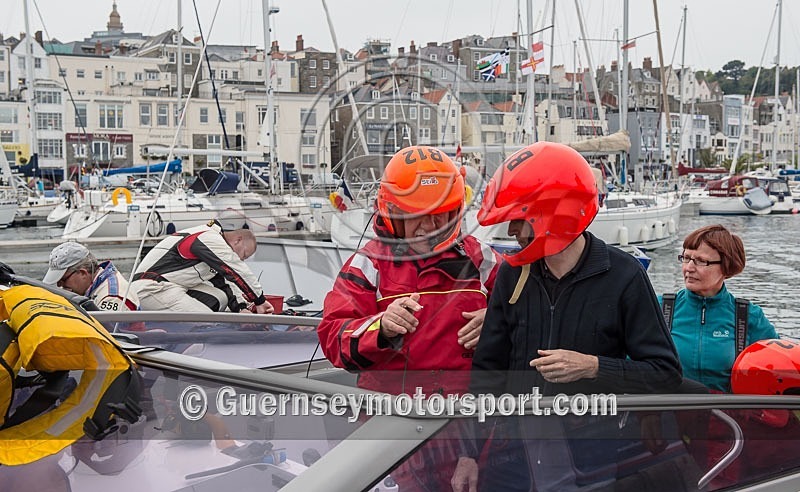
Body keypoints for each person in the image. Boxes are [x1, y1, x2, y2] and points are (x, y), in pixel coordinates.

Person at [452, 142, 682, 491]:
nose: (512, 232)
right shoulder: (514, 276)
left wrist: (592, 366)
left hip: (589, 455)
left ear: (552, 215)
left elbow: (664, 374)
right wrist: (468, 453)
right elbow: (489, 374)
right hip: (514, 454)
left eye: (520, 220)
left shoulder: (625, 276)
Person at [317, 145, 501, 491]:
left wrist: (495, 317)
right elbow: (332, 336)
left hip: (467, 428)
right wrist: (380, 327)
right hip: (394, 426)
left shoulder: (481, 258)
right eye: (419, 214)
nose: (430, 227)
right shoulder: (369, 264)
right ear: (392, 212)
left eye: (441, 215)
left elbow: (526, 306)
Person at [662, 224, 777, 393]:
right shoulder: (661, 308)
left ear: (726, 267)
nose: (688, 268)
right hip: (668, 414)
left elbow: (777, 369)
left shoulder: (748, 316)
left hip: (728, 417)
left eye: (701, 261)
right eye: (686, 258)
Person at [131, 220, 274, 313]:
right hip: (151, 288)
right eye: (244, 254)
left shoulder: (211, 245)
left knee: (221, 298)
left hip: (171, 285)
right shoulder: (209, 238)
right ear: (238, 240)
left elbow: (224, 282)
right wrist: (259, 301)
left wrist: (241, 308)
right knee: (205, 318)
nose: (242, 259)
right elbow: (235, 269)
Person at [43, 242, 139, 311]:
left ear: (83, 273)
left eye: (63, 280)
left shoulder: (111, 298)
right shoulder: (101, 283)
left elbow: (107, 335)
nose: (60, 285)